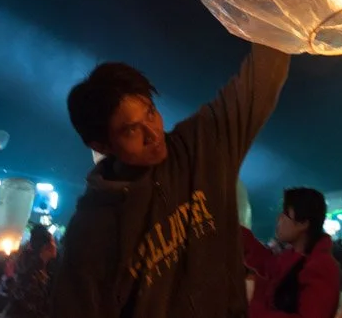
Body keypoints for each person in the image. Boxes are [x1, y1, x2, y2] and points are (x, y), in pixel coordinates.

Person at [53, 44, 290, 317]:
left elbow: (261, 80)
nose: (153, 134)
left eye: (151, 113)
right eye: (131, 130)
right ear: (102, 145)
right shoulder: (92, 232)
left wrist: (281, 13)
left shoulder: (201, 147)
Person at [240, 187, 340, 318]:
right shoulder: (295, 256)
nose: (278, 219)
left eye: (285, 213)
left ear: (303, 223)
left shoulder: (322, 266)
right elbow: (268, 264)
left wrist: (255, 304)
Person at [6, 227, 55, 318]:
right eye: (53, 242)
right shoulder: (33, 270)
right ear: (45, 247)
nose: (55, 246)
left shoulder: (34, 265)